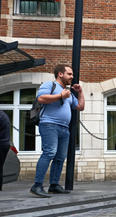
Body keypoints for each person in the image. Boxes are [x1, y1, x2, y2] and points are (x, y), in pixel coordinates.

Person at [29, 65, 85, 198]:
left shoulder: (68, 92)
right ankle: (37, 185)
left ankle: (54, 185)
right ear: (60, 74)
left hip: (64, 128)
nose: (72, 77)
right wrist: (60, 95)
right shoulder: (50, 85)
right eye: (69, 74)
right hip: (49, 124)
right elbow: (41, 99)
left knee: (60, 157)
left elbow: (80, 107)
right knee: (49, 153)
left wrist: (81, 92)